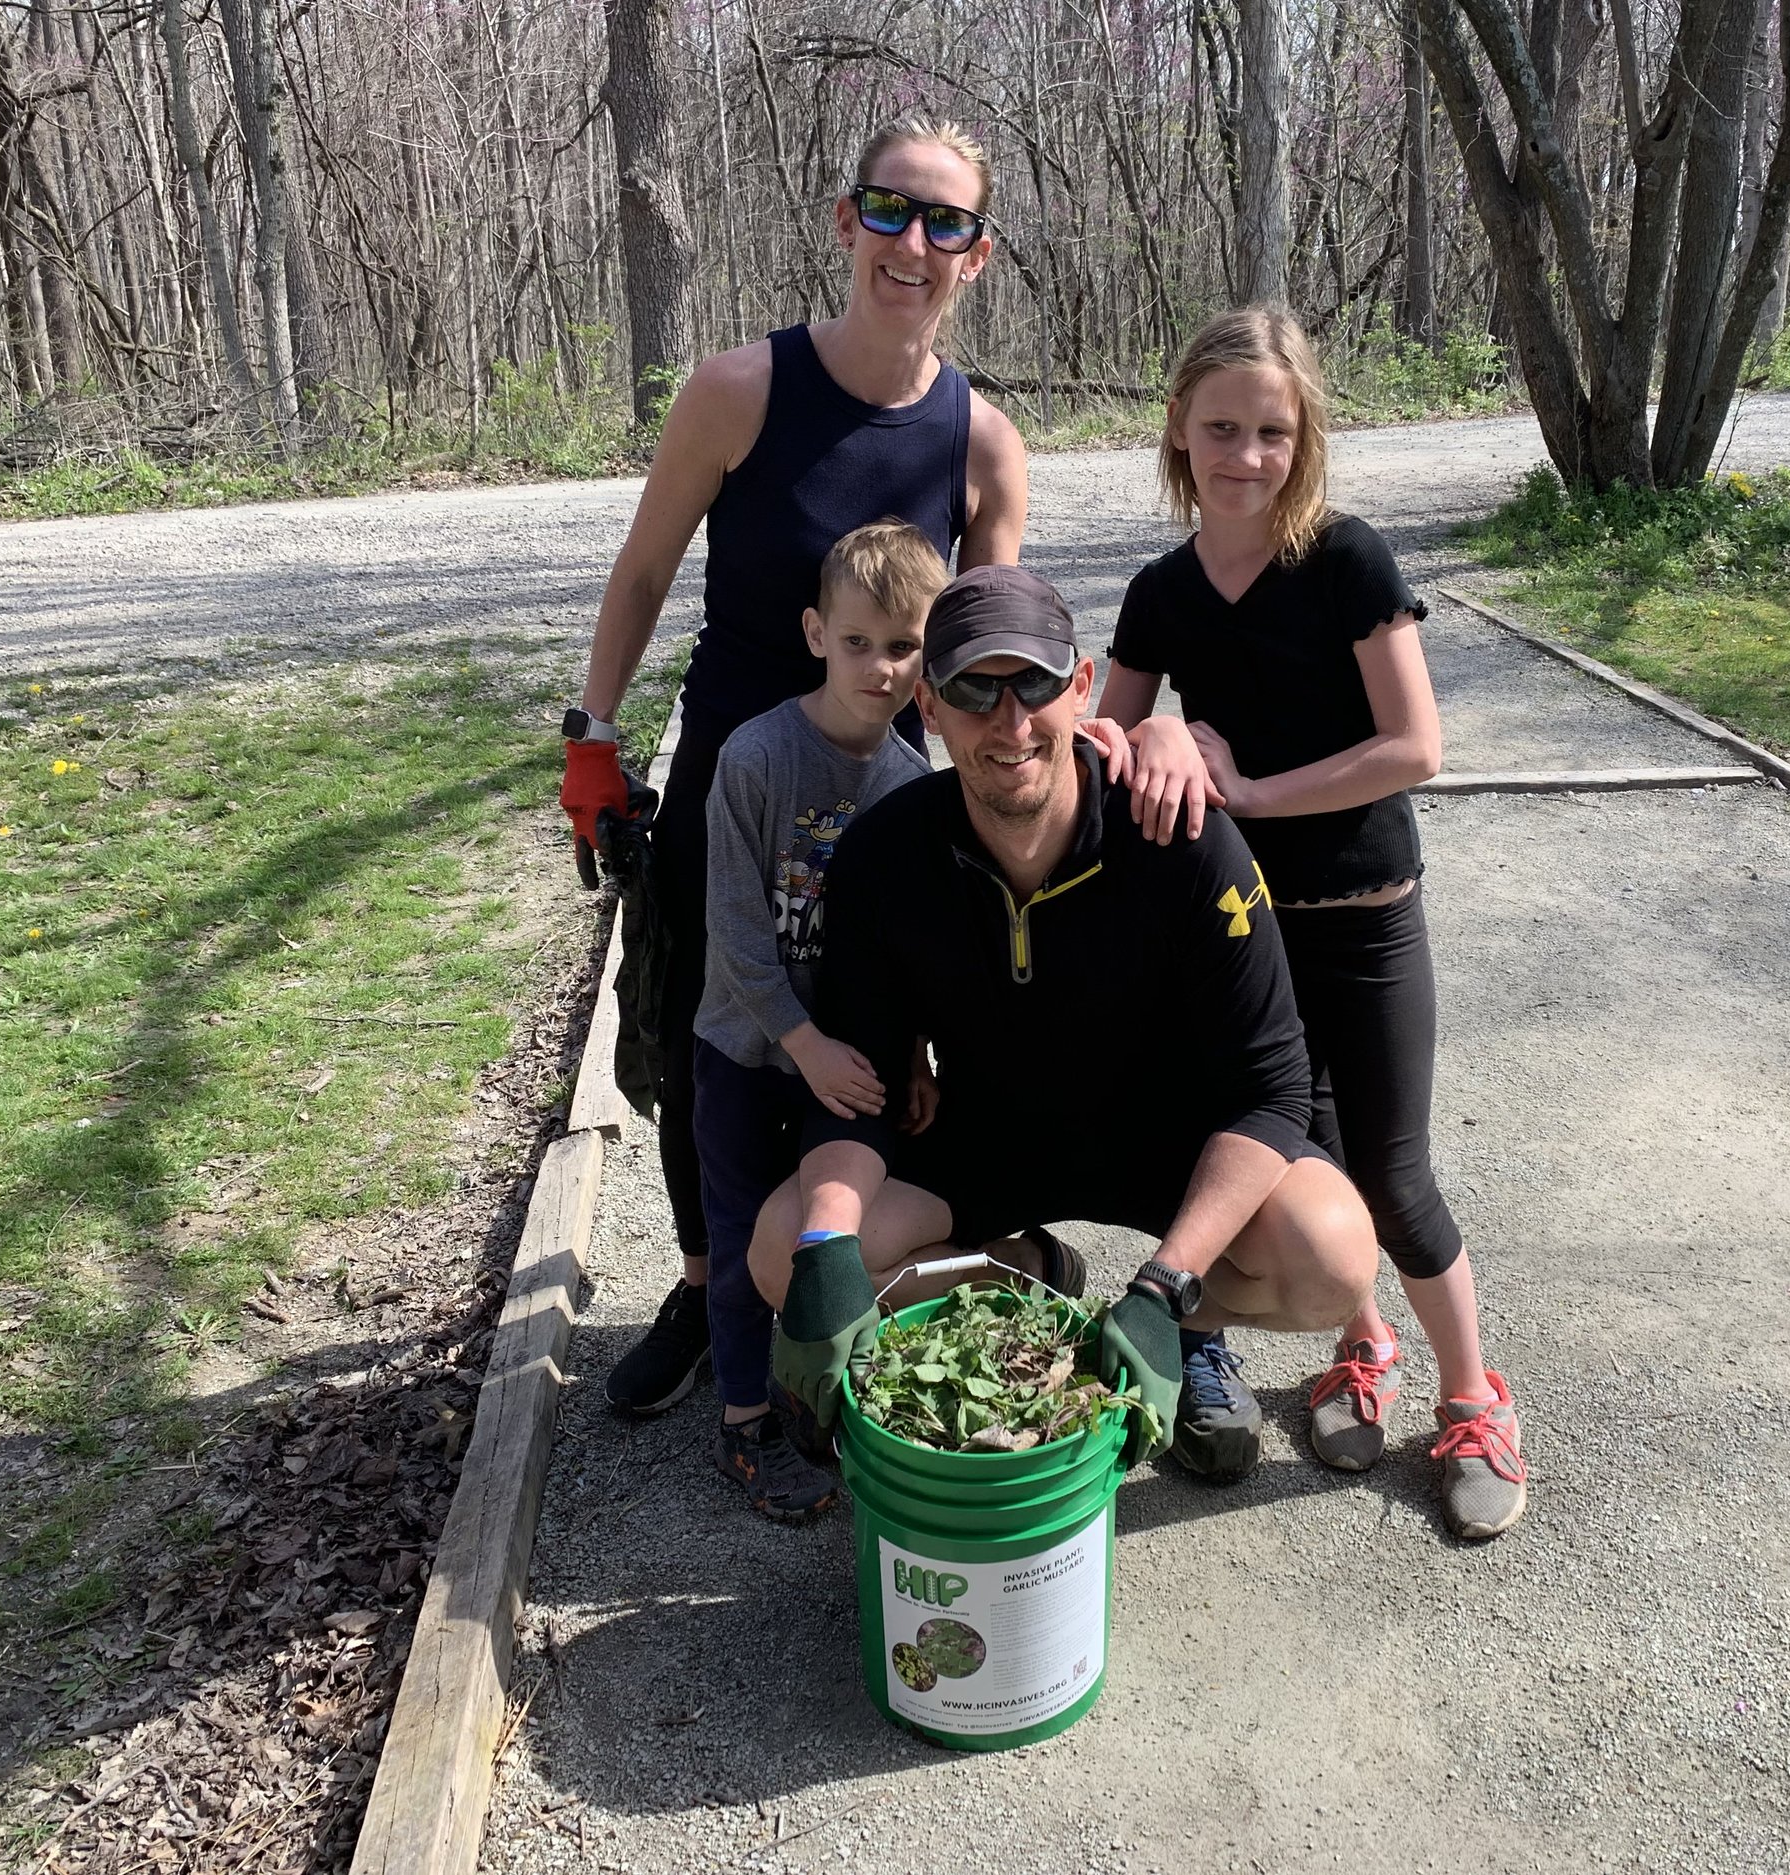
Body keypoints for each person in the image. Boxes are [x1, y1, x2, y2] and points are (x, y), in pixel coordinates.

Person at [562, 114, 1028, 1420]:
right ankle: (708, 1284)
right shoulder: (738, 392)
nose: (914, 244)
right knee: (702, 1041)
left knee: (862, 1049)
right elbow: (644, 570)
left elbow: (994, 649)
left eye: (946, 223)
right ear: (846, 222)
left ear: (976, 256)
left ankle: (814, 1276)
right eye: (891, 211)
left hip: (883, 812)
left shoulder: (980, 443)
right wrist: (590, 736)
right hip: (729, 788)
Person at [746, 564, 1381, 1483]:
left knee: (1333, 1258)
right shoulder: (885, 856)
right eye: (974, 690)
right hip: (990, 1139)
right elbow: (865, 1084)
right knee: (780, 1249)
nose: (1009, 723)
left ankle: (1178, 1328)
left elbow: (1272, 1091)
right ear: (927, 705)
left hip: (1170, 1144)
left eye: (1035, 685)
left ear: (1082, 689)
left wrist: (1168, 1285)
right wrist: (826, 1249)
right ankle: (1037, 1279)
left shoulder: (1185, 838)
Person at [1093, 304, 1526, 1540]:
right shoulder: (1162, 590)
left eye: (1271, 432)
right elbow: (1108, 740)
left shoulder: (1344, 558)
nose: (1245, 455)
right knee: (1301, 1161)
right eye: (1221, 428)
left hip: (1365, 916)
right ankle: (1359, 1347)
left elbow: (1415, 748)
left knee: (1392, 1176)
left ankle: (1473, 1399)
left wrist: (1256, 791)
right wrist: (1165, 733)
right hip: (1245, 932)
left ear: (1305, 437)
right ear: (1177, 427)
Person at [691, 521, 950, 1519]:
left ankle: (820, 1388)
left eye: (902, 647)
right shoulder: (756, 758)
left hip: (850, 1060)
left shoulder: (910, 783)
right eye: (857, 643)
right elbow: (736, 928)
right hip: (750, 1050)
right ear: (814, 632)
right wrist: (798, 1043)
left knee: (807, 1237)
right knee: (733, 1230)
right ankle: (745, 1418)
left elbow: (911, 946)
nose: (879, 669)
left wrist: (917, 1052)